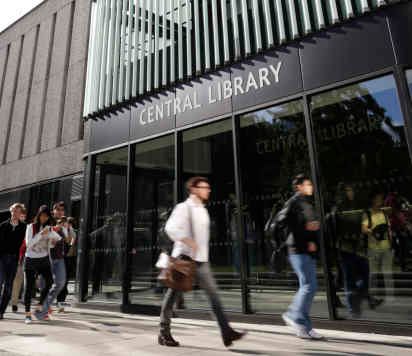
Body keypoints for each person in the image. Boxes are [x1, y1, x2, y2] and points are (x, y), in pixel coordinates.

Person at [159, 176, 245, 347]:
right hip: (185, 259)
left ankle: (227, 333)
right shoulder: (183, 207)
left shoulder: (202, 209)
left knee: (214, 297)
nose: (208, 190)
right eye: (205, 187)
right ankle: (163, 333)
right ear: (194, 189)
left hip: (201, 261)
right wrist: (186, 239)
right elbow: (170, 228)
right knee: (172, 297)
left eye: (208, 187)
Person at [281, 174, 324, 339]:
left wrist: (311, 230)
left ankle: (305, 327)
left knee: (309, 287)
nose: (310, 187)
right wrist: (306, 231)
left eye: (310, 184)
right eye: (307, 184)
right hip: (297, 249)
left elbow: (308, 225)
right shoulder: (293, 202)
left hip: (306, 250)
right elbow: (284, 221)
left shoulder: (305, 203)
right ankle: (293, 315)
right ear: (298, 186)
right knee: (308, 286)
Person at [24, 205, 61, 324]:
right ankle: (27, 314)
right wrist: (41, 233)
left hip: (43, 259)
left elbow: (49, 245)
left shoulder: (49, 228)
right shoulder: (31, 227)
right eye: (42, 216)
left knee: (50, 282)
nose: (44, 218)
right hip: (31, 259)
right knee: (29, 287)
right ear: (38, 215)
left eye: (46, 216)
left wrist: (53, 242)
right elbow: (29, 244)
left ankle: (40, 304)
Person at [35, 216, 70, 320]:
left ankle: (44, 306)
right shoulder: (51, 229)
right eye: (61, 223)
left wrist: (67, 231)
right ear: (57, 223)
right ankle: (43, 310)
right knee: (44, 285)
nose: (63, 225)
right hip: (48, 259)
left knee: (60, 283)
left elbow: (68, 242)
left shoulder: (64, 232)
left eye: (65, 223)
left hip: (59, 260)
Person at [362, 191, 394, 303]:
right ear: (373, 200)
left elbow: (389, 228)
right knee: (373, 274)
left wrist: (390, 241)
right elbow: (364, 228)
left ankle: (390, 296)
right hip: (373, 247)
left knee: (388, 272)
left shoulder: (384, 213)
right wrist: (373, 233)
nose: (380, 201)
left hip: (386, 247)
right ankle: (372, 297)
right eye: (378, 198)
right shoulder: (368, 213)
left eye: (381, 198)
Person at [0, 203, 27, 319]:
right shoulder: (2, 226)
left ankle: (1, 311)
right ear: (11, 211)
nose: (15, 213)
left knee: (9, 286)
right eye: (14, 211)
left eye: (18, 211)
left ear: (21, 213)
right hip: (1, 258)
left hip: (14, 259)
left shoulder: (24, 227)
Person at [11, 206, 28, 312]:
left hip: (21, 258)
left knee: (17, 281)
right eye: (20, 215)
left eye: (23, 216)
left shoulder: (26, 228)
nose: (21, 217)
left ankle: (14, 302)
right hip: (10, 257)